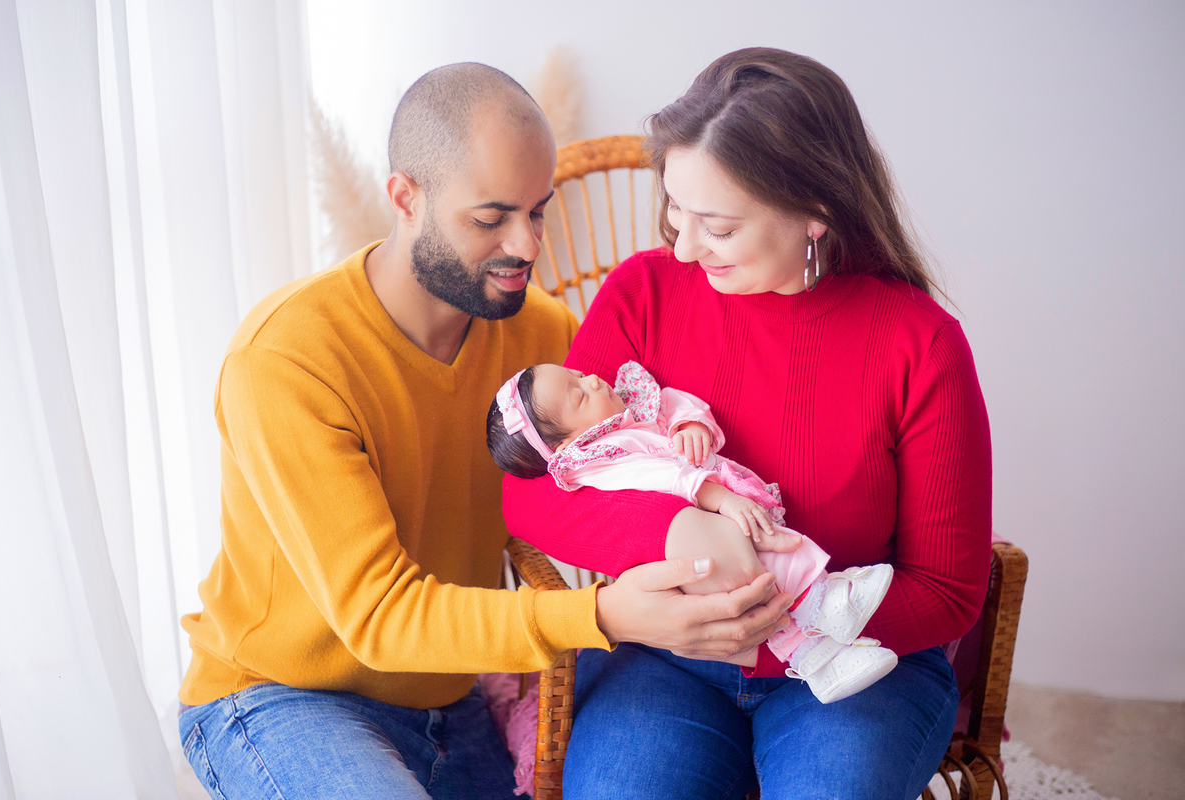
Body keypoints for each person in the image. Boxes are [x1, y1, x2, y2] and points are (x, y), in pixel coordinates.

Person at [176, 62, 793, 800]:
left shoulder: (542, 335)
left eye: (538, 211)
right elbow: (379, 615)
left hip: (452, 697)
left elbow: (637, 451)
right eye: (491, 217)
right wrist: (601, 614)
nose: (529, 246)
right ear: (405, 198)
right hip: (280, 697)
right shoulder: (288, 359)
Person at [502, 48, 993, 800]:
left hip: (858, 664)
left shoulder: (918, 344)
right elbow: (532, 492)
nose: (685, 248)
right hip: (667, 658)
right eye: (674, 210)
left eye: (718, 226)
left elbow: (951, 589)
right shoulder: (643, 293)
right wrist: (674, 546)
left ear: (815, 216)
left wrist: (794, 612)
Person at [487, 359, 900, 704]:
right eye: (579, 394)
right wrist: (719, 498)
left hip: (711, 507)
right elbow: (661, 476)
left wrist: (690, 424)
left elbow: (673, 403)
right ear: (568, 446)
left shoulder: (628, 410)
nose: (591, 379)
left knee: (764, 553)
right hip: (704, 516)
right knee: (768, 553)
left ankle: (820, 661)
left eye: (576, 374)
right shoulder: (600, 459)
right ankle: (827, 600)